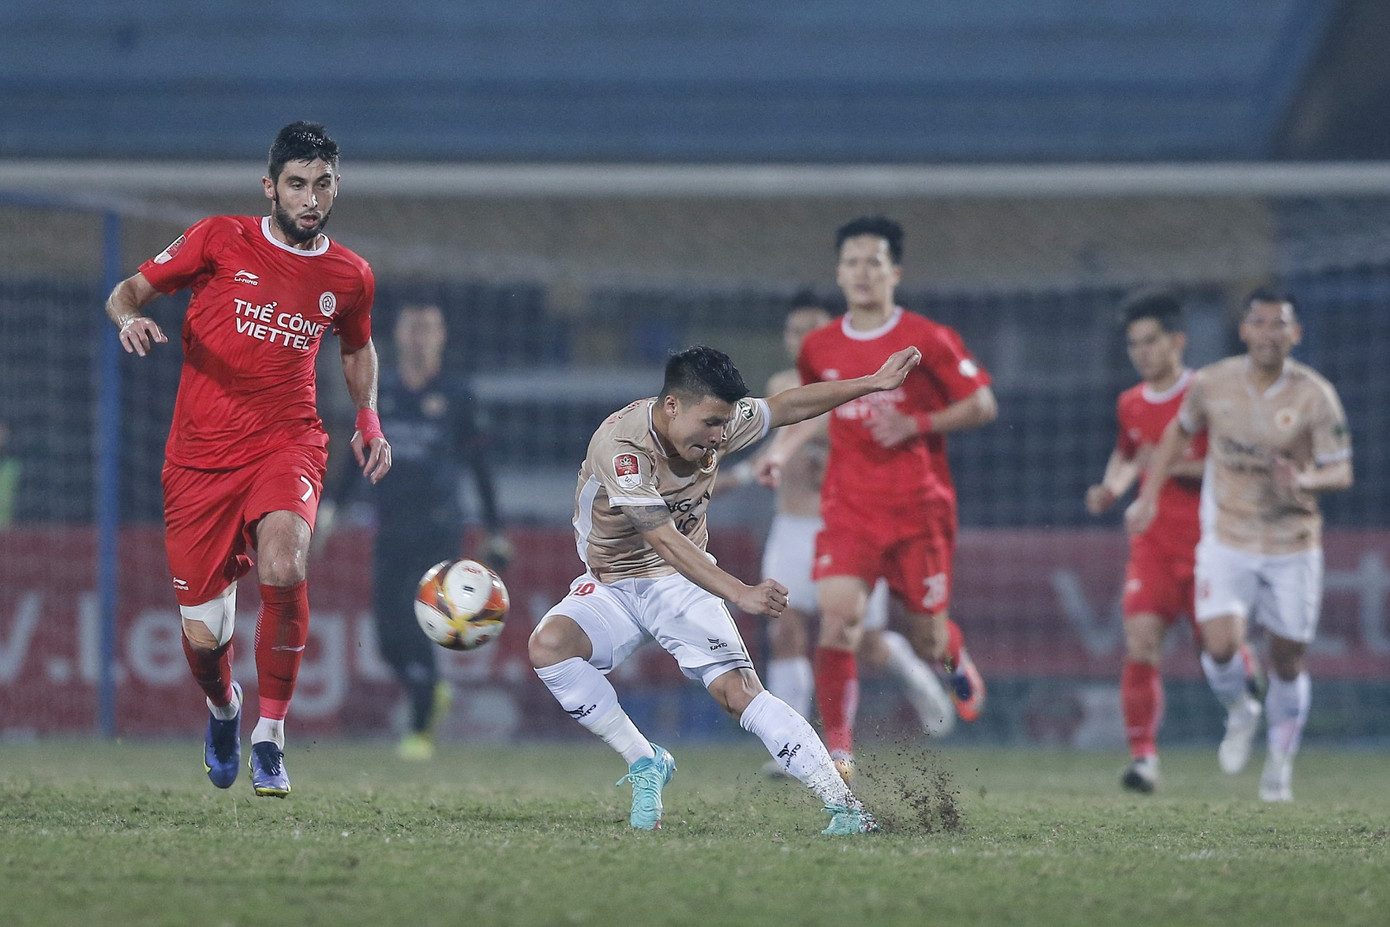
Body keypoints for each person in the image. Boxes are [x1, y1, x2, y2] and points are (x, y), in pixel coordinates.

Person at [104, 121, 391, 797]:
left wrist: (369, 417)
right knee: (205, 641)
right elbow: (127, 291)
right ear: (271, 188)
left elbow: (356, 347)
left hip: (287, 442)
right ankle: (225, 709)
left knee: (287, 562)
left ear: (336, 187)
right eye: (297, 184)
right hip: (198, 462)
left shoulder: (349, 274)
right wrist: (127, 321)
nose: (310, 198)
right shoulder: (217, 238)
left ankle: (271, 734)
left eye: (323, 184)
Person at [528, 343, 920, 835]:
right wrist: (739, 592)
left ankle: (844, 806)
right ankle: (645, 760)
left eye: (724, 425)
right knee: (549, 648)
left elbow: (787, 407)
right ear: (672, 406)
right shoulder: (622, 449)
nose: (718, 438)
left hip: (679, 582)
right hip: (615, 584)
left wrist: (871, 382)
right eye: (710, 424)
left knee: (739, 694)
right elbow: (662, 537)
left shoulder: (716, 419)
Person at [757, 216, 996, 780]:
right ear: (839, 273)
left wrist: (919, 424)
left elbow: (983, 405)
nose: (862, 273)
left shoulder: (929, 338)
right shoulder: (820, 346)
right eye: (852, 262)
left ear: (895, 271)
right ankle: (838, 754)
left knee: (926, 635)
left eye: (873, 262)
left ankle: (954, 657)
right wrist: (781, 454)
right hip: (848, 509)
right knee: (839, 622)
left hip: (919, 510)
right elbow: (813, 411)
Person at [1126, 289, 1352, 802]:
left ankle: (1279, 764)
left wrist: (1307, 480)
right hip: (1227, 538)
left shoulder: (1315, 395)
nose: (1269, 332)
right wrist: (1148, 499)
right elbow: (1175, 438)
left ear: (1296, 334)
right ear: (1244, 330)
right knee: (1221, 646)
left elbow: (1342, 469)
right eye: (1259, 322)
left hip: (1292, 543)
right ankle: (1240, 711)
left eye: (1280, 324)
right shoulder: (1212, 384)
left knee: (1288, 660)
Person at [733, 292, 955, 768]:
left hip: (847, 525)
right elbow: (773, 449)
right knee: (784, 629)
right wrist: (740, 473)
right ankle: (794, 745)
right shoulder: (779, 386)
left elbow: (843, 440)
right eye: (795, 331)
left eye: (814, 330)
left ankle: (910, 669)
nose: (803, 340)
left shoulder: (858, 386)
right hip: (791, 529)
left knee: (864, 647)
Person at [320, 302, 511, 760]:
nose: (421, 336)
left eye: (430, 327)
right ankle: (429, 691)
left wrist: (495, 529)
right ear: (399, 335)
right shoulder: (378, 391)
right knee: (387, 640)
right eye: (413, 327)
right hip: (389, 528)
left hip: (440, 529)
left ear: (442, 337)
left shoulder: (458, 394)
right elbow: (357, 457)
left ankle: (420, 727)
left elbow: (480, 466)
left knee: (415, 617)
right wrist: (331, 510)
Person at [1085, 292, 1259, 793]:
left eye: (1150, 341)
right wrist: (1111, 489)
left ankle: (1244, 701)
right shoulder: (1130, 402)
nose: (1141, 352)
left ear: (1177, 341)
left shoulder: (1207, 394)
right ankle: (1144, 760)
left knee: (1219, 651)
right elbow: (1127, 456)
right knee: (1140, 643)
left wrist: (1162, 468)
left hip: (1211, 545)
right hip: (1153, 544)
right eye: (1133, 344)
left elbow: (1228, 465)